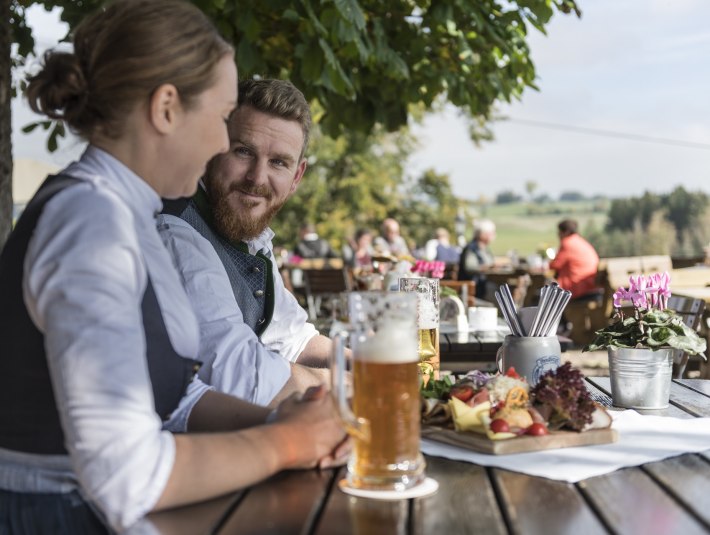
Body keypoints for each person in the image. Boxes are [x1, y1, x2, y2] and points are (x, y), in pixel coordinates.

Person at [0, 2, 346, 533]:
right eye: (221, 119)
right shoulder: (91, 225)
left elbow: (170, 393)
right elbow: (125, 477)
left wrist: (283, 419)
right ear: (165, 108)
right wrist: (287, 442)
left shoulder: (126, 211)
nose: (217, 146)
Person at [158, 78, 335, 407]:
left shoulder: (251, 235)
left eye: (279, 162)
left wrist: (374, 362)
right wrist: (361, 382)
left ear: (297, 176)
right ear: (213, 149)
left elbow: (295, 339)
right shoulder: (176, 231)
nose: (257, 178)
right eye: (243, 152)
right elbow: (237, 377)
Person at [549, 219, 600, 299]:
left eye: (559, 232)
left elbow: (554, 265)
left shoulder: (567, 243)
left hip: (577, 287)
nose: (558, 235)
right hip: (591, 285)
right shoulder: (582, 242)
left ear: (565, 232)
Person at [458, 219, 497, 298]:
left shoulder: (485, 249)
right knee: (497, 291)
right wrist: (489, 266)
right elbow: (470, 268)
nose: (494, 235)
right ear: (482, 234)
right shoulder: (471, 248)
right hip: (475, 289)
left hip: (482, 285)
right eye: (491, 233)